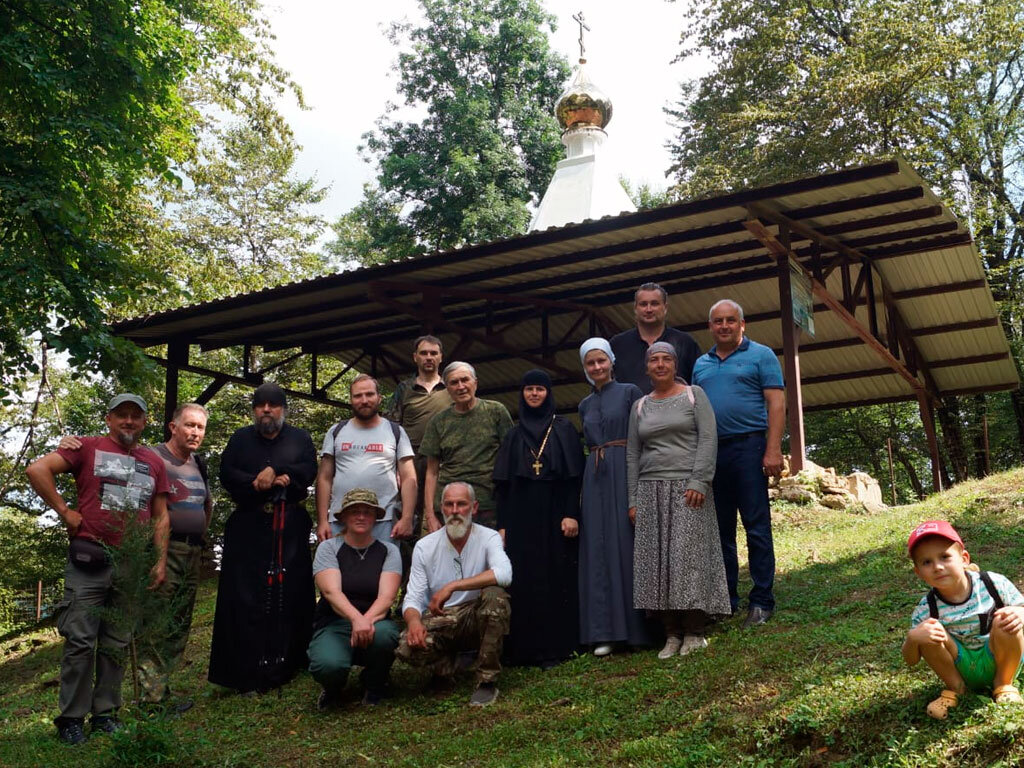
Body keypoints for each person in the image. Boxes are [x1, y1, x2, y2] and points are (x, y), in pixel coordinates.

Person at [26, 394, 170, 745]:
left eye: (136, 417)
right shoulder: (86, 447)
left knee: (116, 642)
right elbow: (36, 469)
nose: (129, 422)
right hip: (89, 560)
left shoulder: (153, 461)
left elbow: (161, 514)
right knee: (79, 641)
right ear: (109, 419)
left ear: (144, 423)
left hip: (131, 564)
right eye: (122, 415)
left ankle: (105, 714)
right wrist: (64, 510)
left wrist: (160, 559)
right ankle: (71, 719)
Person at [58, 403, 212, 714]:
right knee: (151, 626)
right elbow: (147, 508)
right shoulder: (150, 457)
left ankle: (159, 694)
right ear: (172, 427)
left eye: (200, 427)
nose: (195, 432)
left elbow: (204, 503)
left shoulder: (198, 462)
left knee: (177, 624)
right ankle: (150, 701)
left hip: (192, 552)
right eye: (189, 425)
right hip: (152, 553)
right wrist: (67, 444)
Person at [208, 382, 318, 693]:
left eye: (273, 404)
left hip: (289, 525)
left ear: (283, 408)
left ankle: (290, 661)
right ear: (254, 409)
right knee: (243, 595)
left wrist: (277, 469)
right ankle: (244, 668)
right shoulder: (241, 438)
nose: (266, 410)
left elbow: (308, 470)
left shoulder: (299, 438)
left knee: (292, 592)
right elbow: (227, 474)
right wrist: (258, 482)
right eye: (260, 405)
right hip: (248, 525)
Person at [626, 342, 731, 658]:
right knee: (657, 562)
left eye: (666, 359)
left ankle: (695, 631)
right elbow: (633, 453)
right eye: (654, 360)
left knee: (689, 559)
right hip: (650, 489)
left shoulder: (693, 395)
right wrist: (633, 498)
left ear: (675, 365)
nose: (660, 364)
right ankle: (671, 634)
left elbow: (709, 438)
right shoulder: (640, 406)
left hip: (689, 486)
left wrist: (699, 480)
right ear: (647, 367)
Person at [692, 299, 785, 628]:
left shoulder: (761, 355)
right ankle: (725, 600)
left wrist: (772, 449)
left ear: (742, 324)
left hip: (750, 447)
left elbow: (776, 403)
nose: (725, 326)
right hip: (712, 453)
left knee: (756, 527)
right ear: (711, 327)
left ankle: (761, 601)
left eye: (731, 320)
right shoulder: (700, 365)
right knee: (720, 532)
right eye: (718, 321)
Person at [494, 370, 585, 668]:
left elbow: (573, 479)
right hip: (521, 519)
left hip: (556, 515)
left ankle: (556, 648)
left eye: (540, 389)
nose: (534, 394)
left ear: (549, 393)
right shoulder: (513, 434)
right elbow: (504, 486)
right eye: (529, 389)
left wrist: (572, 513)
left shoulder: (563, 429)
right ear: (522, 394)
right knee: (524, 580)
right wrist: (503, 526)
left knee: (556, 576)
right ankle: (524, 651)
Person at [396, 482, 512, 707]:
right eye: (449, 505)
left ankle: (486, 681)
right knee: (406, 646)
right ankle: (445, 670)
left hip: (476, 614)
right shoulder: (425, 546)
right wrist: (413, 622)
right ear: (442, 508)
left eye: (462, 504)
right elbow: (413, 597)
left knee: (495, 596)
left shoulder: (489, 537)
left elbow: (504, 574)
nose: (455, 511)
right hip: (443, 618)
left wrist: (453, 586)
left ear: (474, 508)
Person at [902, 520, 1024, 719]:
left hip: (1000, 657)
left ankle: (1004, 684)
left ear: (964, 558)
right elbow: (911, 660)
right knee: (929, 632)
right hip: (960, 667)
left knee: (1005, 618)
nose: (938, 567)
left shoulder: (993, 583)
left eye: (945, 556)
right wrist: (913, 638)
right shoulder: (927, 608)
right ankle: (956, 689)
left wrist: (1021, 614)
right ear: (918, 573)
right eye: (926, 562)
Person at [577, 338, 650, 656]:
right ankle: (604, 631)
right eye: (590, 363)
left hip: (625, 468)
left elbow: (641, 436)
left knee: (626, 544)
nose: (596, 367)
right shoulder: (584, 405)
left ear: (611, 361)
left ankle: (637, 630)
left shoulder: (631, 392)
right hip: (594, 476)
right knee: (598, 548)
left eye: (601, 361)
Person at [308, 488, 401, 709]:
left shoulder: (389, 551)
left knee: (387, 636)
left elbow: (387, 597)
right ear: (344, 518)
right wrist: (355, 620)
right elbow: (331, 592)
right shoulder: (328, 548)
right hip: (334, 623)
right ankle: (333, 687)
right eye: (355, 511)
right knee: (328, 665)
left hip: (375, 622)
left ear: (375, 518)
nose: (361, 517)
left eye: (367, 512)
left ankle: (374, 683)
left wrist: (365, 621)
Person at [315, 374, 417, 543]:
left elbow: (409, 478)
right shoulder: (337, 431)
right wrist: (322, 521)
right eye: (358, 395)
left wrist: (406, 518)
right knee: (338, 570)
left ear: (379, 398)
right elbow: (324, 478)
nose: (364, 400)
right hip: (340, 520)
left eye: (369, 394)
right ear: (351, 399)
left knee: (385, 569)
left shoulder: (395, 431)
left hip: (384, 522)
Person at [420, 362, 513, 531]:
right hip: (449, 508)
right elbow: (431, 472)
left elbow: (512, 460)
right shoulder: (438, 422)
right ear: (447, 388)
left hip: (489, 506)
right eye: (454, 382)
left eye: (465, 380)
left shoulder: (496, 412)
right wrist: (430, 516)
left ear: (475, 383)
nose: (460, 386)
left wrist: (508, 514)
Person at [385, 335, 452, 538]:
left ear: (441, 357)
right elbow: (391, 429)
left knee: (442, 518)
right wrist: (395, 466)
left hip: (443, 464)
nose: (429, 357)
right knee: (405, 521)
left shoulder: (452, 389)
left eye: (434, 353)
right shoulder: (404, 389)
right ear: (415, 357)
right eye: (424, 353)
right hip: (410, 462)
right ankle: (404, 568)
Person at [609, 282, 702, 394]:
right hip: (630, 411)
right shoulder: (617, 345)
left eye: (654, 304)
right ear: (635, 308)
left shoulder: (685, 343)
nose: (649, 309)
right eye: (643, 304)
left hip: (676, 410)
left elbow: (698, 384)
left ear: (665, 307)